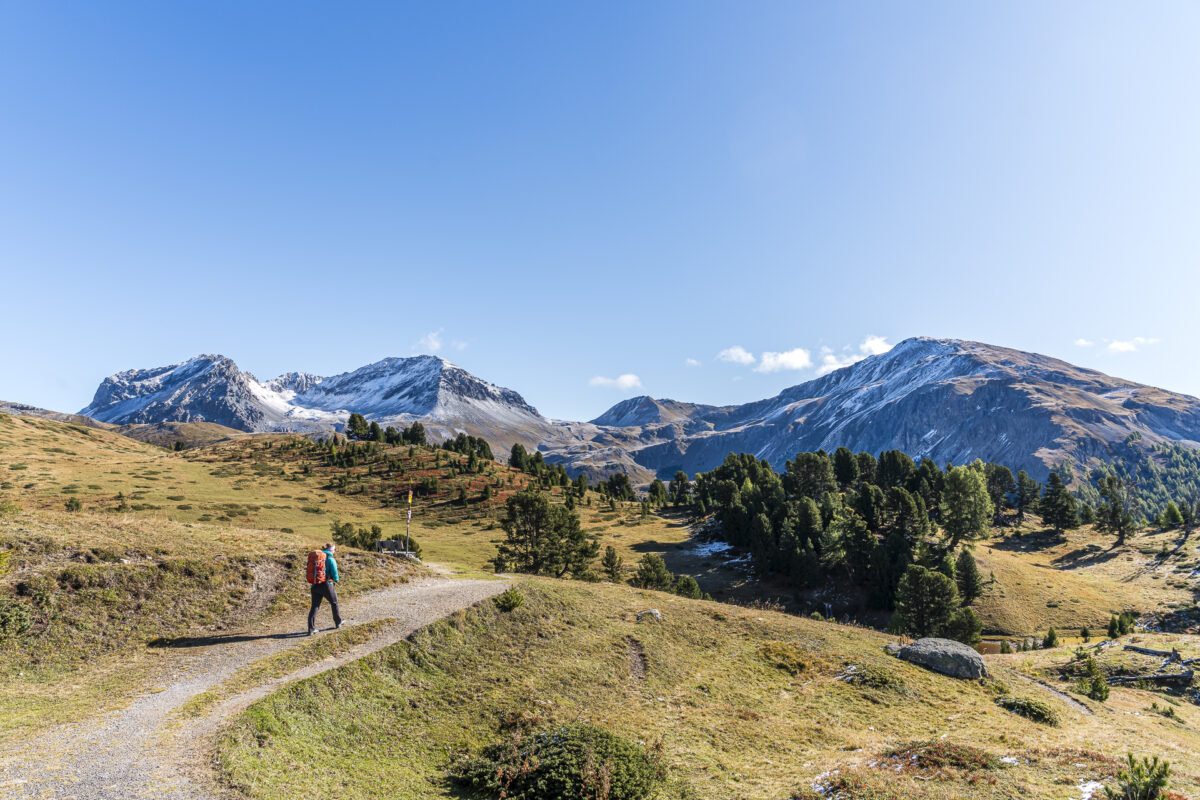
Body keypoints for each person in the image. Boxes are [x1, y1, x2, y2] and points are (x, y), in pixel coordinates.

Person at [307, 541, 343, 635]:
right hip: (326, 584)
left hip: (315, 584)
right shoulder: (330, 558)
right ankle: (338, 622)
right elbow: (334, 571)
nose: (334, 551)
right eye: (334, 550)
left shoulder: (317, 557)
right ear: (331, 550)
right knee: (334, 602)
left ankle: (311, 629)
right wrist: (336, 579)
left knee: (315, 606)